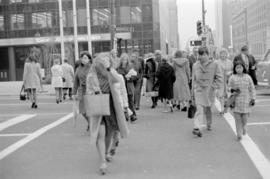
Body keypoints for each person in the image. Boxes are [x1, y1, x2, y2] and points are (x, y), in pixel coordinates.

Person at [86, 53, 128, 175]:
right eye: (100, 61)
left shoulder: (112, 72)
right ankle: (103, 161)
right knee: (101, 134)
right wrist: (94, 92)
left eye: (105, 61)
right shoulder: (91, 75)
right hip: (98, 105)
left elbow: (116, 80)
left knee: (109, 134)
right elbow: (88, 90)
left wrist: (108, 68)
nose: (102, 64)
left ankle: (106, 152)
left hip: (111, 105)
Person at [191, 46, 223, 137]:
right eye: (200, 54)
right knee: (199, 109)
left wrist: (213, 86)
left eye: (204, 54)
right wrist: (192, 94)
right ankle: (197, 127)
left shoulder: (215, 64)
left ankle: (209, 123)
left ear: (208, 55)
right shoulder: (195, 65)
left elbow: (219, 78)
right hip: (199, 90)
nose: (202, 56)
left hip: (209, 91)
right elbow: (193, 80)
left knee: (208, 109)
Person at [227, 62, 256, 140]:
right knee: (237, 120)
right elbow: (228, 87)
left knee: (245, 119)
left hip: (246, 101)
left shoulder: (248, 77)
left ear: (243, 68)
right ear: (235, 69)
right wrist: (232, 90)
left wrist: (253, 98)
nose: (239, 69)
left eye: (240, 67)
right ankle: (239, 134)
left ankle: (244, 127)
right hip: (235, 101)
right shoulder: (232, 77)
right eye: (237, 67)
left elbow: (252, 88)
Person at [73, 51, 92, 131]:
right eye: (82, 58)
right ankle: (90, 123)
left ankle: (92, 124)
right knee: (83, 111)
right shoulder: (78, 69)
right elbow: (76, 81)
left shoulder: (92, 67)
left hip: (91, 91)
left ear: (89, 59)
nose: (83, 60)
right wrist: (73, 93)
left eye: (85, 58)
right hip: (82, 90)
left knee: (91, 110)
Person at [117, 53, 138, 122]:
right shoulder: (118, 68)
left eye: (125, 59)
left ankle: (133, 115)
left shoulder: (130, 67)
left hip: (129, 86)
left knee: (130, 101)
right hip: (122, 87)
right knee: (123, 102)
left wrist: (130, 78)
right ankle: (125, 115)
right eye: (123, 59)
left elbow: (135, 77)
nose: (124, 61)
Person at [216, 48, 233, 114]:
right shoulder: (217, 62)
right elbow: (214, 71)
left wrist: (230, 72)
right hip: (220, 80)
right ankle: (222, 108)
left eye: (224, 54)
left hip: (228, 81)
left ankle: (226, 107)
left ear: (226, 54)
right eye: (222, 54)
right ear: (219, 55)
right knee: (220, 95)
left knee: (227, 95)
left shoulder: (230, 62)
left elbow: (233, 70)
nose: (223, 55)